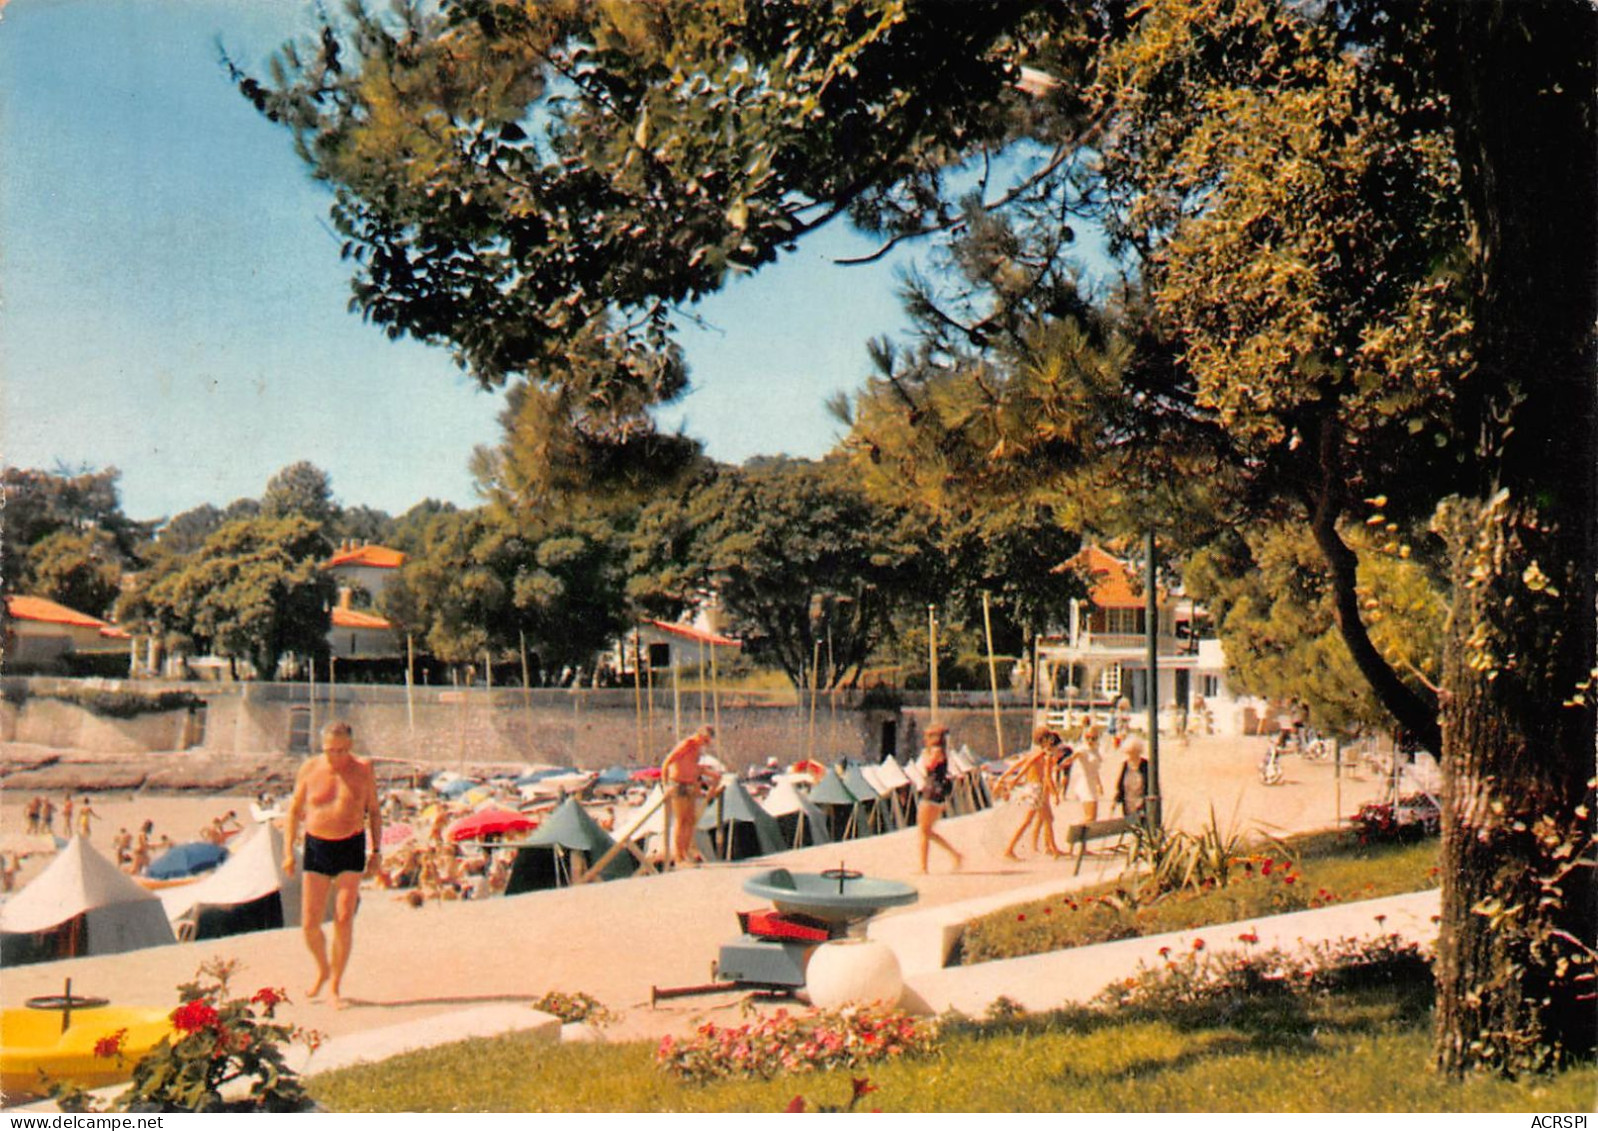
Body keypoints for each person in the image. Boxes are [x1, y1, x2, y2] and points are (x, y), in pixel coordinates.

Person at [282, 721, 382, 1009]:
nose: (335, 756)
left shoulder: (363, 770)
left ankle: (335, 986)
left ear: (350, 746)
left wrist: (377, 851)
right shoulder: (310, 769)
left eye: (341, 750)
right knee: (310, 924)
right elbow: (293, 812)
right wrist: (288, 851)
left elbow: (373, 812)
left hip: (351, 844)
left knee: (343, 916)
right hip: (317, 846)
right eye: (329, 750)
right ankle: (322, 968)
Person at [995, 726, 1064, 860]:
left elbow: (1019, 764)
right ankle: (1010, 850)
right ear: (1044, 740)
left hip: (1033, 788)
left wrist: (1005, 777)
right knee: (1031, 820)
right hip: (1037, 789)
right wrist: (1055, 794)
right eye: (1049, 738)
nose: (1051, 741)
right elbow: (1041, 774)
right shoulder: (1042, 754)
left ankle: (1051, 848)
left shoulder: (1035, 753)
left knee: (1046, 818)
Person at [661, 725, 717, 866]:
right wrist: (665, 785)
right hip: (678, 784)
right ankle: (679, 857)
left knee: (690, 820)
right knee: (681, 820)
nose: (706, 745)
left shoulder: (697, 749)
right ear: (700, 736)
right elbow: (667, 762)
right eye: (705, 741)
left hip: (690, 785)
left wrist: (708, 774)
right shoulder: (687, 744)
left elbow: (691, 766)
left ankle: (685, 853)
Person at [914, 725, 964, 874]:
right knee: (926, 830)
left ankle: (925, 867)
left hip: (932, 792)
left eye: (928, 736)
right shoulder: (938, 751)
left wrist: (924, 754)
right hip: (933, 790)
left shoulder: (936, 751)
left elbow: (929, 765)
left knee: (924, 830)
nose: (925, 740)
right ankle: (952, 855)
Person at [1068, 724, 1105, 822]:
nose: (1090, 741)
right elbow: (1072, 758)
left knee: (1093, 818)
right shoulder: (1082, 749)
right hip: (1085, 785)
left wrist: (1099, 784)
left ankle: (1081, 835)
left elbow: (1094, 770)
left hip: (1092, 785)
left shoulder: (1095, 750)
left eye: (1093, 738)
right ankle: (1076, 835)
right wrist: (1059, 764)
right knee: (1090, 817)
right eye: (1088, 738)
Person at [1112, 735, 1152, 822]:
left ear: (1138, 751)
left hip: (1143, 802)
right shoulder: (1125, 765)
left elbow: (1150, 784)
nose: (1130, 755)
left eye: (1133, 752)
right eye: (1128, 752)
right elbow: (1119, 783)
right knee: (1131, 824)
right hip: (1128, 802)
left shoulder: (1146, 765)